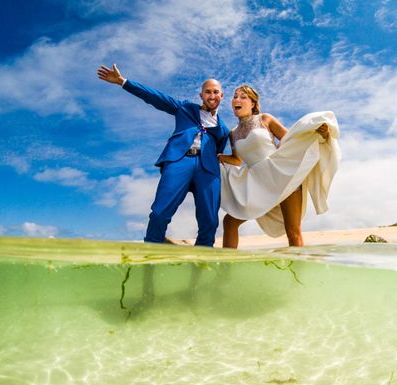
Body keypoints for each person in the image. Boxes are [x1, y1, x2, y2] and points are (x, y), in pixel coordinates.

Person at [97, 64, 230, 247]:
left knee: (210, 221)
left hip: (208, 170)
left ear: (221, 95)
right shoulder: (185, 108)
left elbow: (219, 152)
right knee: (160, 212)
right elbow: (156, 97)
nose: (212, 96)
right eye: (208, 92)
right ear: (201, 96)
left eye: (216, 92)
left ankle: (202, 259)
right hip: (179, 161)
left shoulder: (223, 129)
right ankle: (150, 251)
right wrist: (123, 82)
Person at [218, 85, 340, 248]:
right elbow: (237, 159)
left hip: (282, 175)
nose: (237, 100)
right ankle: (226, 269)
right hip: (257, 183)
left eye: (243, 97)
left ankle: (298, 271)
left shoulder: (265, 119)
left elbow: (290, 138)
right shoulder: (233, 133)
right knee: (229, 222)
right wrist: (219, 157)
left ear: (253, 104)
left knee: (293, 231)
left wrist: (316, 134)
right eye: (235, 96)